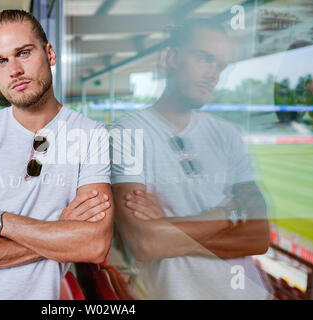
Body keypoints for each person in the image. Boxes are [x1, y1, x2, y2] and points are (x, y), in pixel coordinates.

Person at [0, 10, 113, 300]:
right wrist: (60, 235)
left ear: (50, 53)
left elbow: (93, 245)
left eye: (23, 53)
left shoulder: (91, 135)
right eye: (1, 61)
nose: (13, 70)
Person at [110, 19, 272, 299]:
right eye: (205, 58)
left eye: (220, 66)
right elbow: (145, 243)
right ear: (170, 58)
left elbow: (257, 238)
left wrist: (168, 228)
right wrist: (227, 215)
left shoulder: (227, 134)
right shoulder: (127, 133)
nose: (214, 74)